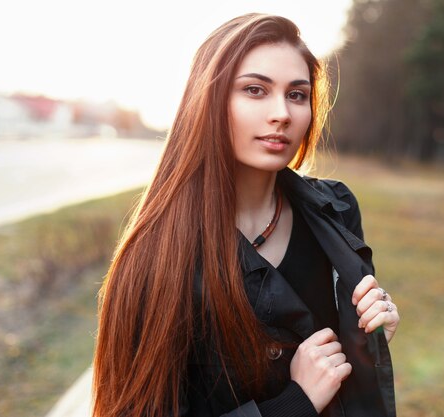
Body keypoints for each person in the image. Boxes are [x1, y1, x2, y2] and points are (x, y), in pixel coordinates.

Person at [92, 13, 400, 417]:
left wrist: (368, 340)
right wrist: (296, 403)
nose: (282, 114)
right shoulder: (156, 257)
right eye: (255, 90)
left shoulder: (336, 211)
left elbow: (342, 376)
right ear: (209, 100)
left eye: (297, 94)